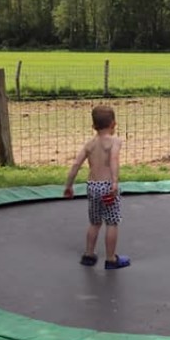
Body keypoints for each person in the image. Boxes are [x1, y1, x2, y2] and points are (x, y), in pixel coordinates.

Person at [63, 104, 130, 270]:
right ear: (113, 124)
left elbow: (76, 164)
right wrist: (115, 181)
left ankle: (88, 255)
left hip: (92, 186)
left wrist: (68, 186)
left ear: (93, 126)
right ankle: (111, 259)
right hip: (108, 187)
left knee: (94, 222)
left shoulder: (89, 145)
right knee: (112, 222)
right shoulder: (115, 141)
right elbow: (114, 160)